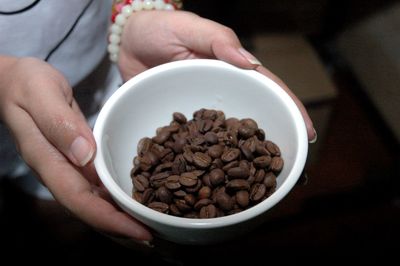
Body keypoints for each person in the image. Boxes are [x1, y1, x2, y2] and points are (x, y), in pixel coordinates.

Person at [0, 0, 316, 247]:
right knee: (56, 217)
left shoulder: (211, 152)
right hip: (11, 125)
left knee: (82, 213)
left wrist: (133, 16)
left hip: (117, 76)